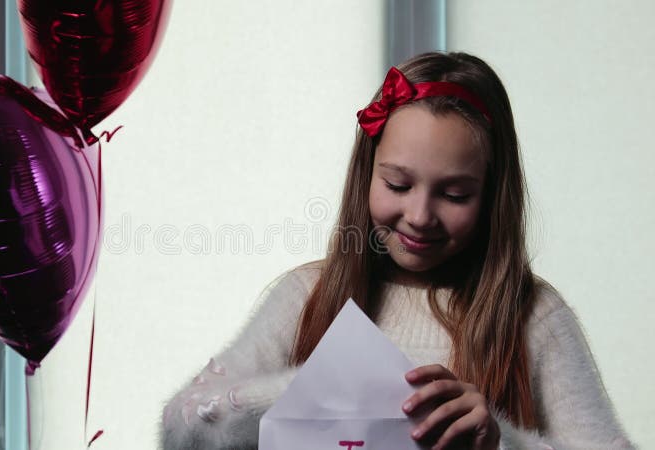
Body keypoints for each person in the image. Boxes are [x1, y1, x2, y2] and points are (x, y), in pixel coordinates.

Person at [159, 52, 635, 449]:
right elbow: (180, 426)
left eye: (454, 195)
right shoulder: (307, 295)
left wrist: (501, 441)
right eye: (398, 184)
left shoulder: (534, 317)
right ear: (367, 173)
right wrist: (303, 390)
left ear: (493, 194)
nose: (421, 215)